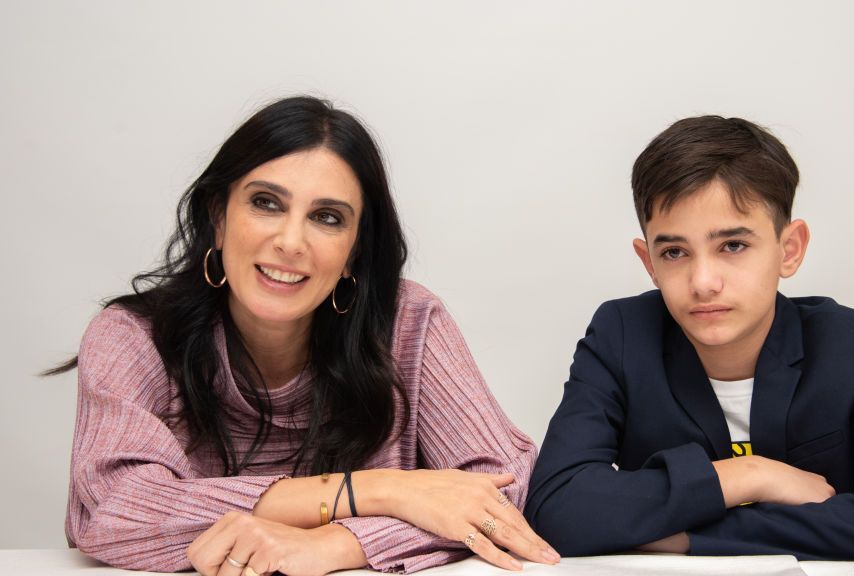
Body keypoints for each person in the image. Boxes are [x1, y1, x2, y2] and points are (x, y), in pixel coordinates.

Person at [56, 96, 560, 575]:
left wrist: (333, 544)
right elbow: (111, 509)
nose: (291, 241)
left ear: (354, 252)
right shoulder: (134, 337)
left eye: (326, 217)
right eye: (266, 203)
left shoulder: (408, 321)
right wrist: (379, 491)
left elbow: (500, 490)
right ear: (218, 216)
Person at [524, 116, 854, 566]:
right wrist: (750, 475)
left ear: (789, 249)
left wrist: (687, 537)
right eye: (674, 252)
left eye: (733, 246)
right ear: (648, 262)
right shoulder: (622, 334)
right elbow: (556, 509)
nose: (703, 282)